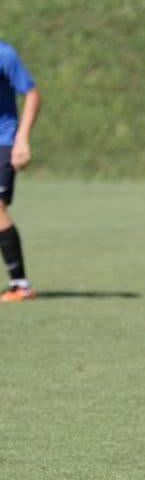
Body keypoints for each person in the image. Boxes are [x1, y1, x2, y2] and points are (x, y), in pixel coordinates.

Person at [0, 41, 41, 302]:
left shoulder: (4, 54)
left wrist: (22, 139)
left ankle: (20, 285)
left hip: (3, 142)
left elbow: (32, 94)